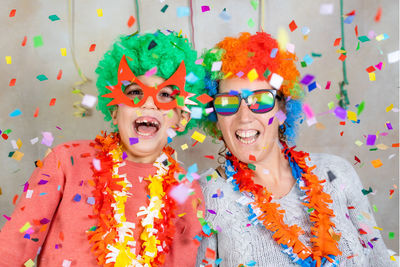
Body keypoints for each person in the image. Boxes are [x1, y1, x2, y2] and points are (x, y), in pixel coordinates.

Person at [0, 30, 205, 267]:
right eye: (135, 93)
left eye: (166, 95)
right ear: (115, 111)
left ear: (182, 118)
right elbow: (12, 249)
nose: (148, 103)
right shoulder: (66, 160)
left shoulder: (185, 187)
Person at [195, 32, 395, 267]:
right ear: (217, 118)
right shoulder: (206, 196)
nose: (244, 117)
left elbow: (381, 260)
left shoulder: (337, 173)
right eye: (228, 102)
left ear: (282, 110)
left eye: (260, 100)